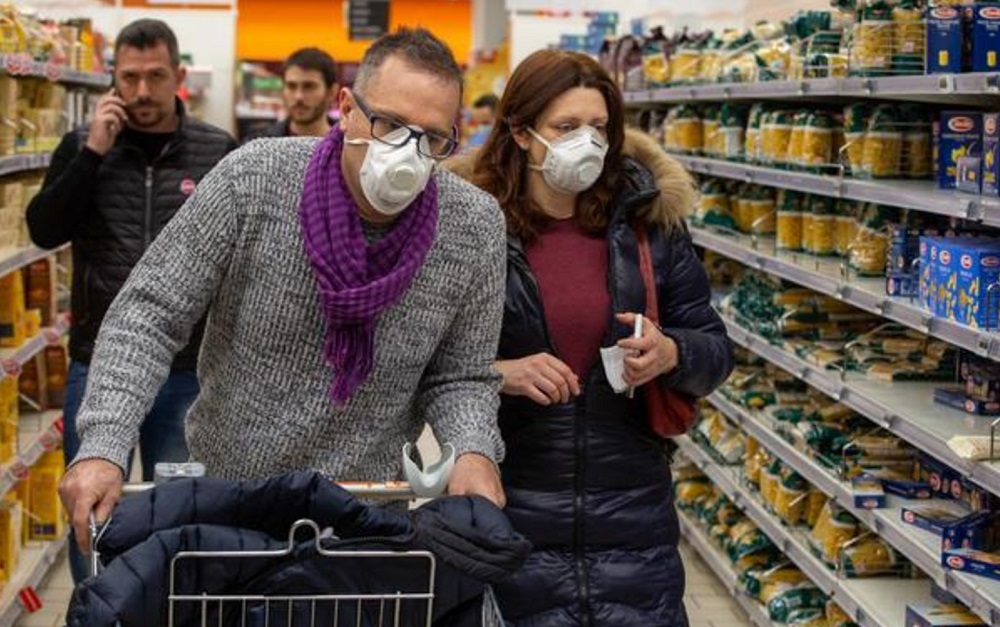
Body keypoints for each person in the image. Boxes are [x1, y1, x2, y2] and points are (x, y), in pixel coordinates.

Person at [58, 26, 507, 566]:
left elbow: (461, 375)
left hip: (365, 516)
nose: (407, 154)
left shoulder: (473, 225)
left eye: (431, 138)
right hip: (229, 507)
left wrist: (474, 450)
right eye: (390, 125)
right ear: (347, 108)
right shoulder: (254, 179)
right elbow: (150, 313)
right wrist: (104, 443)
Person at [450, 49, 734, 626]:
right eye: (566, 127)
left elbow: (715, 351)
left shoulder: (648, 226)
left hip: (633, 518)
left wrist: (671, 353)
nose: (587, 141)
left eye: (599, 127)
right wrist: (500, 374)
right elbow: (421, 362)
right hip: (510, 505)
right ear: (521, 133)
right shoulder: (468, 225)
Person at [25, 18, 237, 582]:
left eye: (156, 76)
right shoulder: (82, 145)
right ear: (112, 79)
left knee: (183, 508)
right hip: (97, 364)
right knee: (89, 508)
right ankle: (96, 607)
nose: (143, 91)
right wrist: (92, 153)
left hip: (188, 370)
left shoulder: (217, 151)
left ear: (178, 75)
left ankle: (174, 607)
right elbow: (43, 230)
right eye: (130, 78)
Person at [247, 47, 339, 140]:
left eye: (309, 87)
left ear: (331, 92)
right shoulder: (258, 143)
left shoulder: (345, 144)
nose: (298, 96)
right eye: (291, 86)